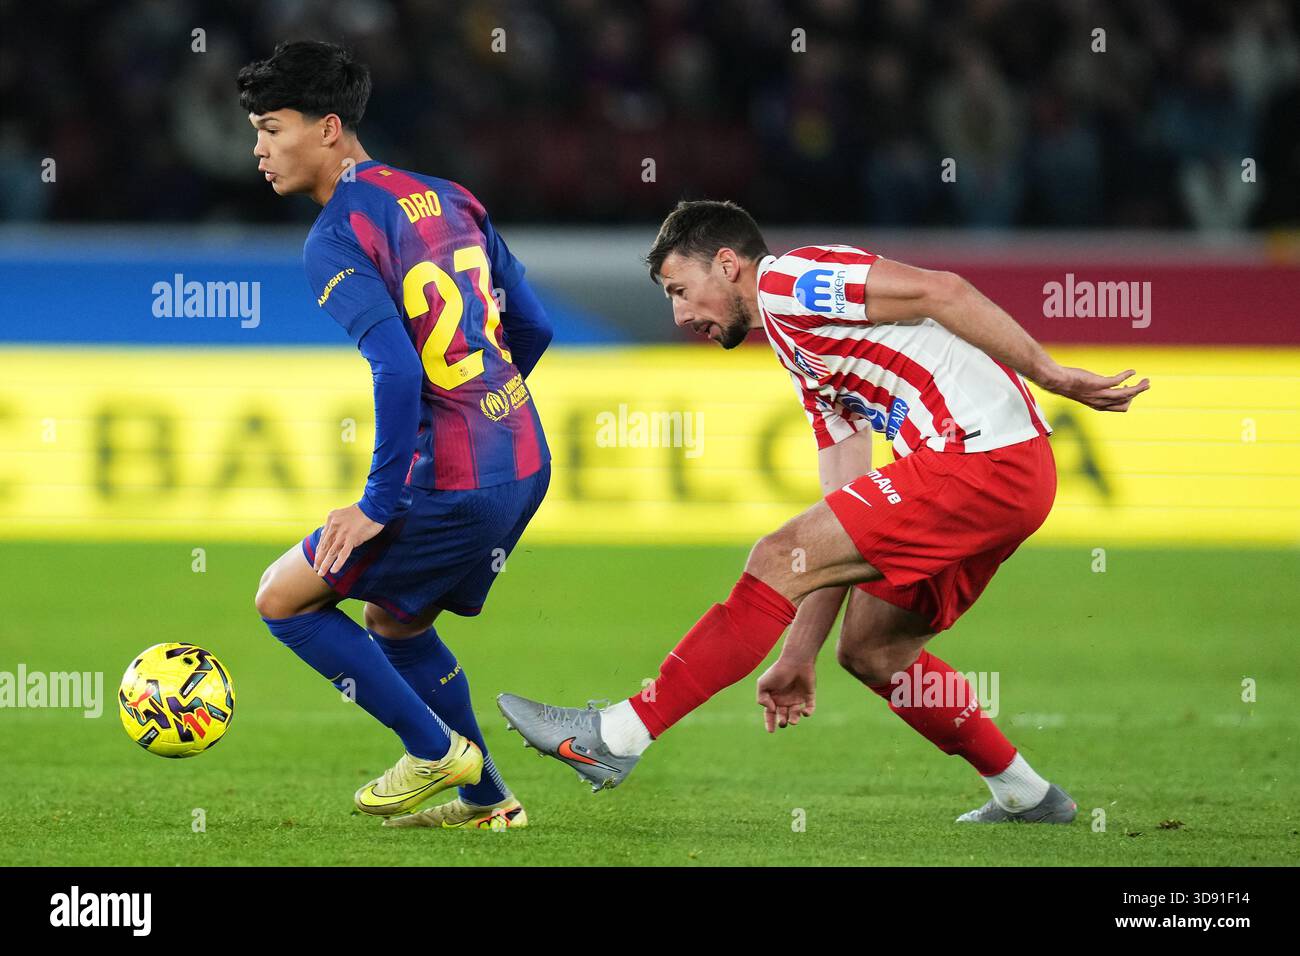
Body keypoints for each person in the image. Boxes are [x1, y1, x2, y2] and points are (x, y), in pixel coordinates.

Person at [499, 199, 1149, 823]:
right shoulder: (806, 358)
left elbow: (942, 290)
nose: (678, 314)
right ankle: (1025, 794)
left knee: (773, 556)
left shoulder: (789, 280)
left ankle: (617, 734)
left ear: (728, 264)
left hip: (981, 459)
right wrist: (799, 653)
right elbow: (837, 521)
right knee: (872, 649)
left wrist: (1050, 372)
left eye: (678, 288)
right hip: (1005, 476)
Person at [240, 41, 551, 830]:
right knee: (396, 622)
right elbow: (534, 327)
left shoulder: (336, 236)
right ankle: (490, 804)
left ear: (330, 128)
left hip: (452, 479)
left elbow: (398, 371)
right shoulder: (451, 197)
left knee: (283, 599)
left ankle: (434, 750)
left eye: (273, 128)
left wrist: (377, 502)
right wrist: (490, 407)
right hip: (522, 459)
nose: (259, 148)